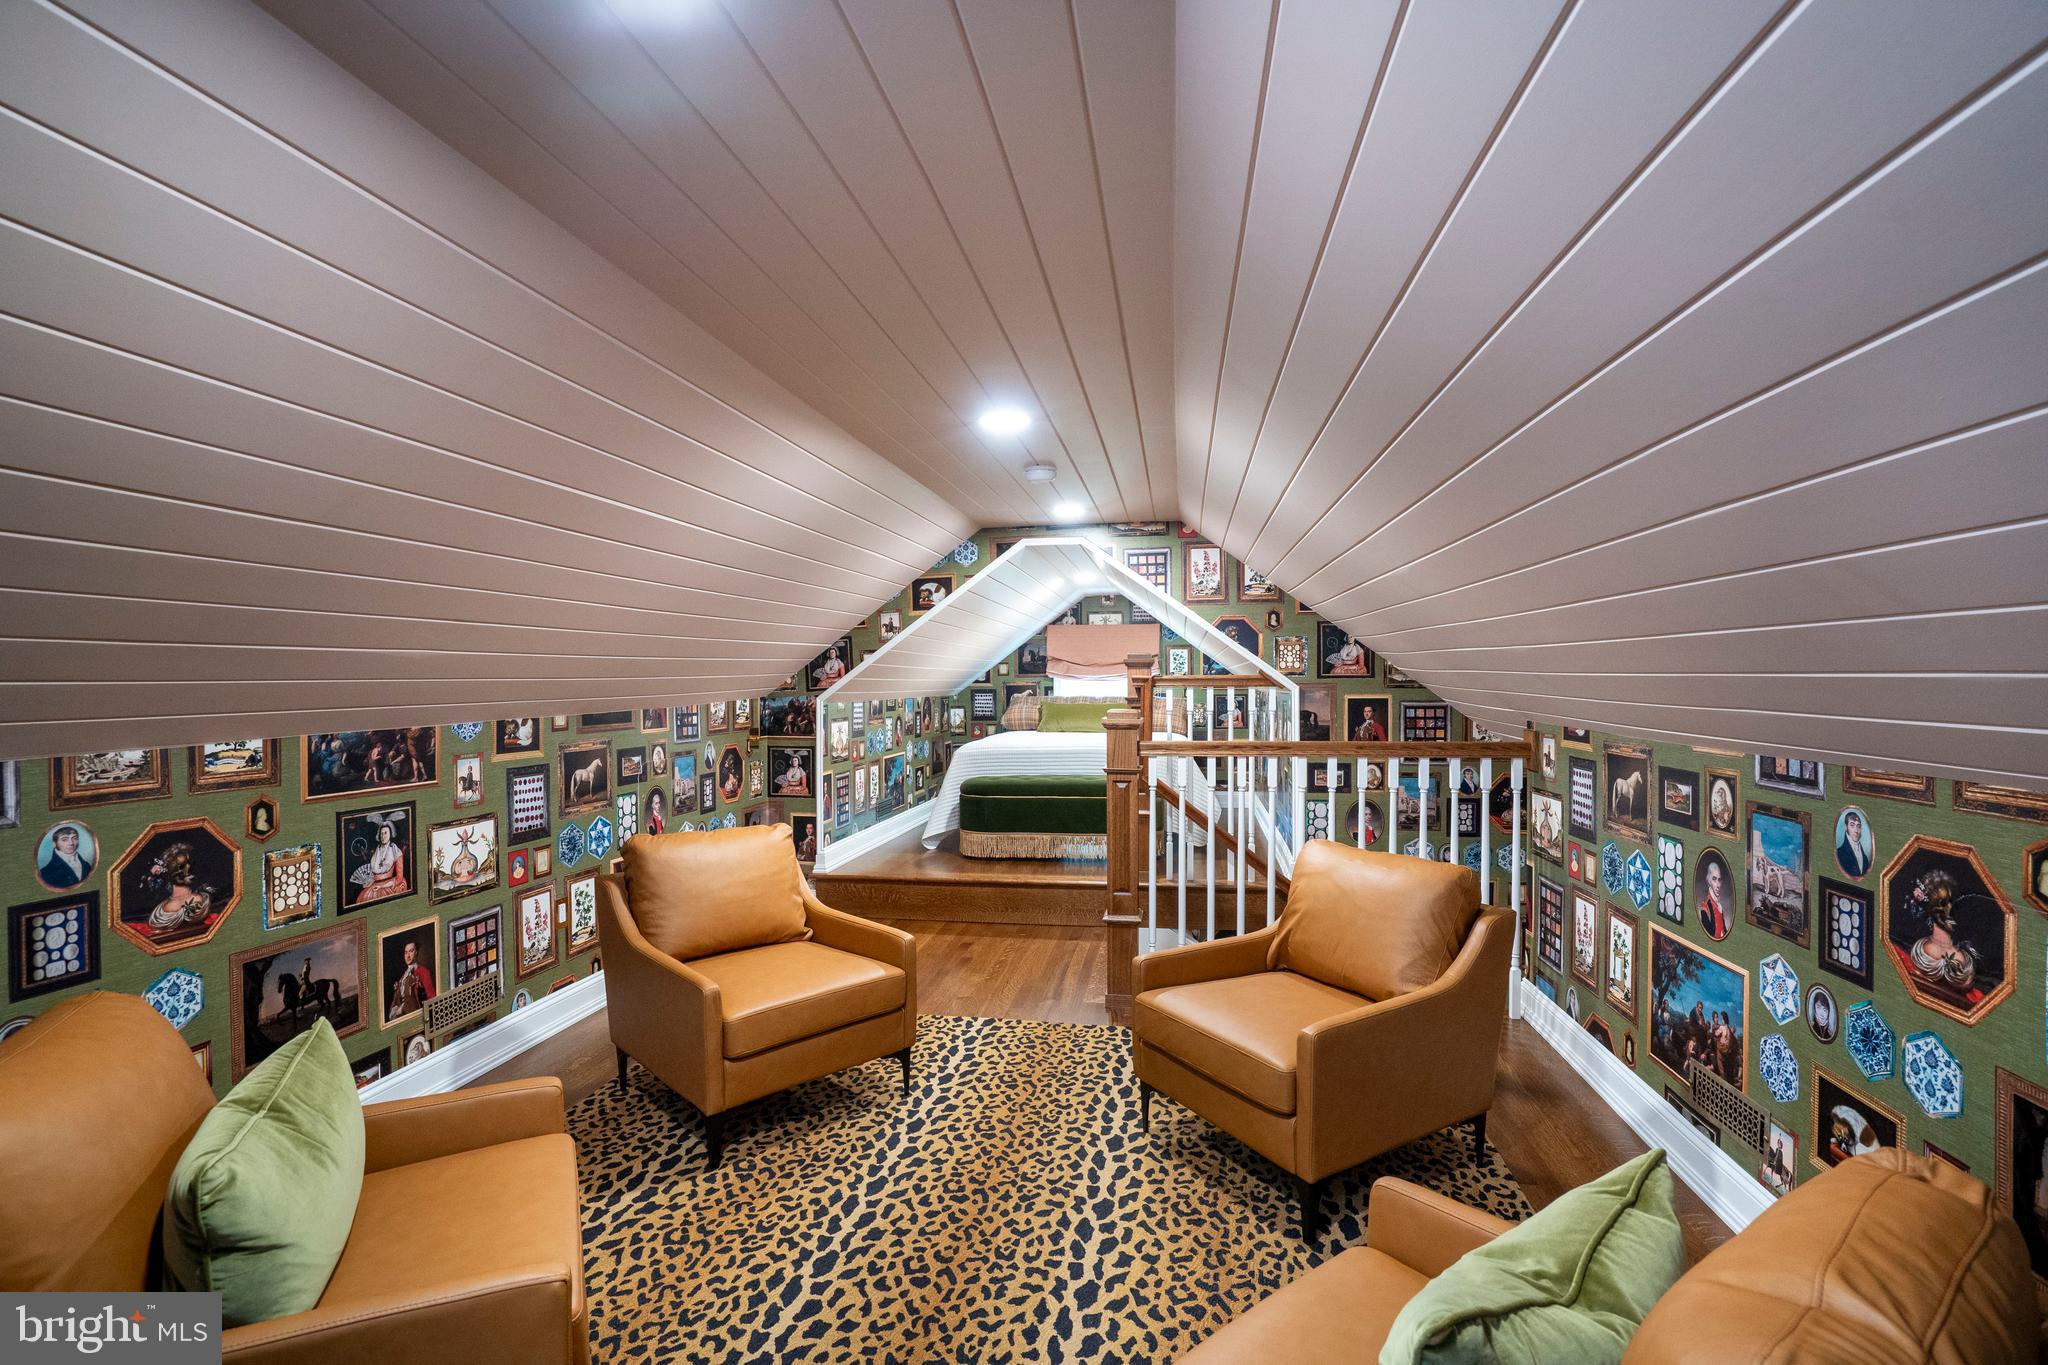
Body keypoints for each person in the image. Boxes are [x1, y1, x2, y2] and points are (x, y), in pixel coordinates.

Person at [352, 815, 409, 905]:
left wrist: (381, 885)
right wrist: (369, 882)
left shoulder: (395, 851)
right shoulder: (376, 851)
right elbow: (371, 873)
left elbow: (399, 878)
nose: (383, 836)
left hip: (389, 885)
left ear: (391, 834)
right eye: (381, 833)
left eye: (385, 833)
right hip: (374, 885)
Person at [387, 937, 435, 1023]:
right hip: (401, 1018)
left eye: (411, 951)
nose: (408, 956)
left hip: (415, 1017)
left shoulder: (424, 972)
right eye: (406, 952)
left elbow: (432, 998)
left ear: (416, 952)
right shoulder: (403, 977)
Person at [1698, 856, 1730, 940]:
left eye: (1719, 880)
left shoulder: (1719, 906)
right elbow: (1709, 936)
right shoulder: (1705, 907)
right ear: (1709, 881)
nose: (1718, 885)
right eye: (1714, 879)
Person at [1836, 808, 1871, 877]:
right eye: (1852, 825)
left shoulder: (1865, 859)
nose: (1856, 830)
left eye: (1858, 826)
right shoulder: (1839, 853)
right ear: (1846, 827)